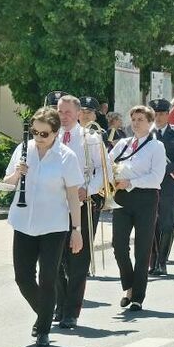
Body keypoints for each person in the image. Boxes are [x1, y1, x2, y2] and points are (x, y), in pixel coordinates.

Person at [3, 107, 84, 347]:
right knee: (22, 277)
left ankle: (44, 329)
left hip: (53, 226)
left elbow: (72, 196)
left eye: (44, 134)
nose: (38, 138)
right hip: (23, 222)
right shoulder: (23, 149)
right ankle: (45, 313)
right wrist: (17, 173)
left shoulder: (66, 157)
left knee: (48, 277)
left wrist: (76, 230)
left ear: (56, 133)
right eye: (34, 132)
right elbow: (7, 183)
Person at [54, 95, 107, 329]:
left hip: (83, 204)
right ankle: (59, 303)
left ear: (78, 114)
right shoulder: (50, 136)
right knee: (54, 258)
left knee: (78, 258)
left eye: (67, 112)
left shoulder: (91, 138)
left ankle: (71, 310)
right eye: (59, 112)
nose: (63, 117)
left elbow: (102, 171)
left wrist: (89, 189)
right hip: (55, 205)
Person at [108, 106, 167, 309]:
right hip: (122, 199)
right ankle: (129, 285)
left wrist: (131, 182)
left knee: (142, 250)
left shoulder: (156, 146)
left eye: (140, 119)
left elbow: (156, 177)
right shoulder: (123, 144)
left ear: (150, 122)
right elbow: (108, 163)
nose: (135, 123)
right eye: (133, 119)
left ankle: (137, 297)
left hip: (145, 199)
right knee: (118, 246)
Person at [146, 98, 174, 276]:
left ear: (167, 114)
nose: (158, 117)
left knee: (166, 223)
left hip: (169, 183)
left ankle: (162, 261)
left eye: (162, 114)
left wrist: (166, 168)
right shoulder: (147, 134)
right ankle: (153, 260)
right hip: (149, 184)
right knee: (151, 223)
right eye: (155, 114)